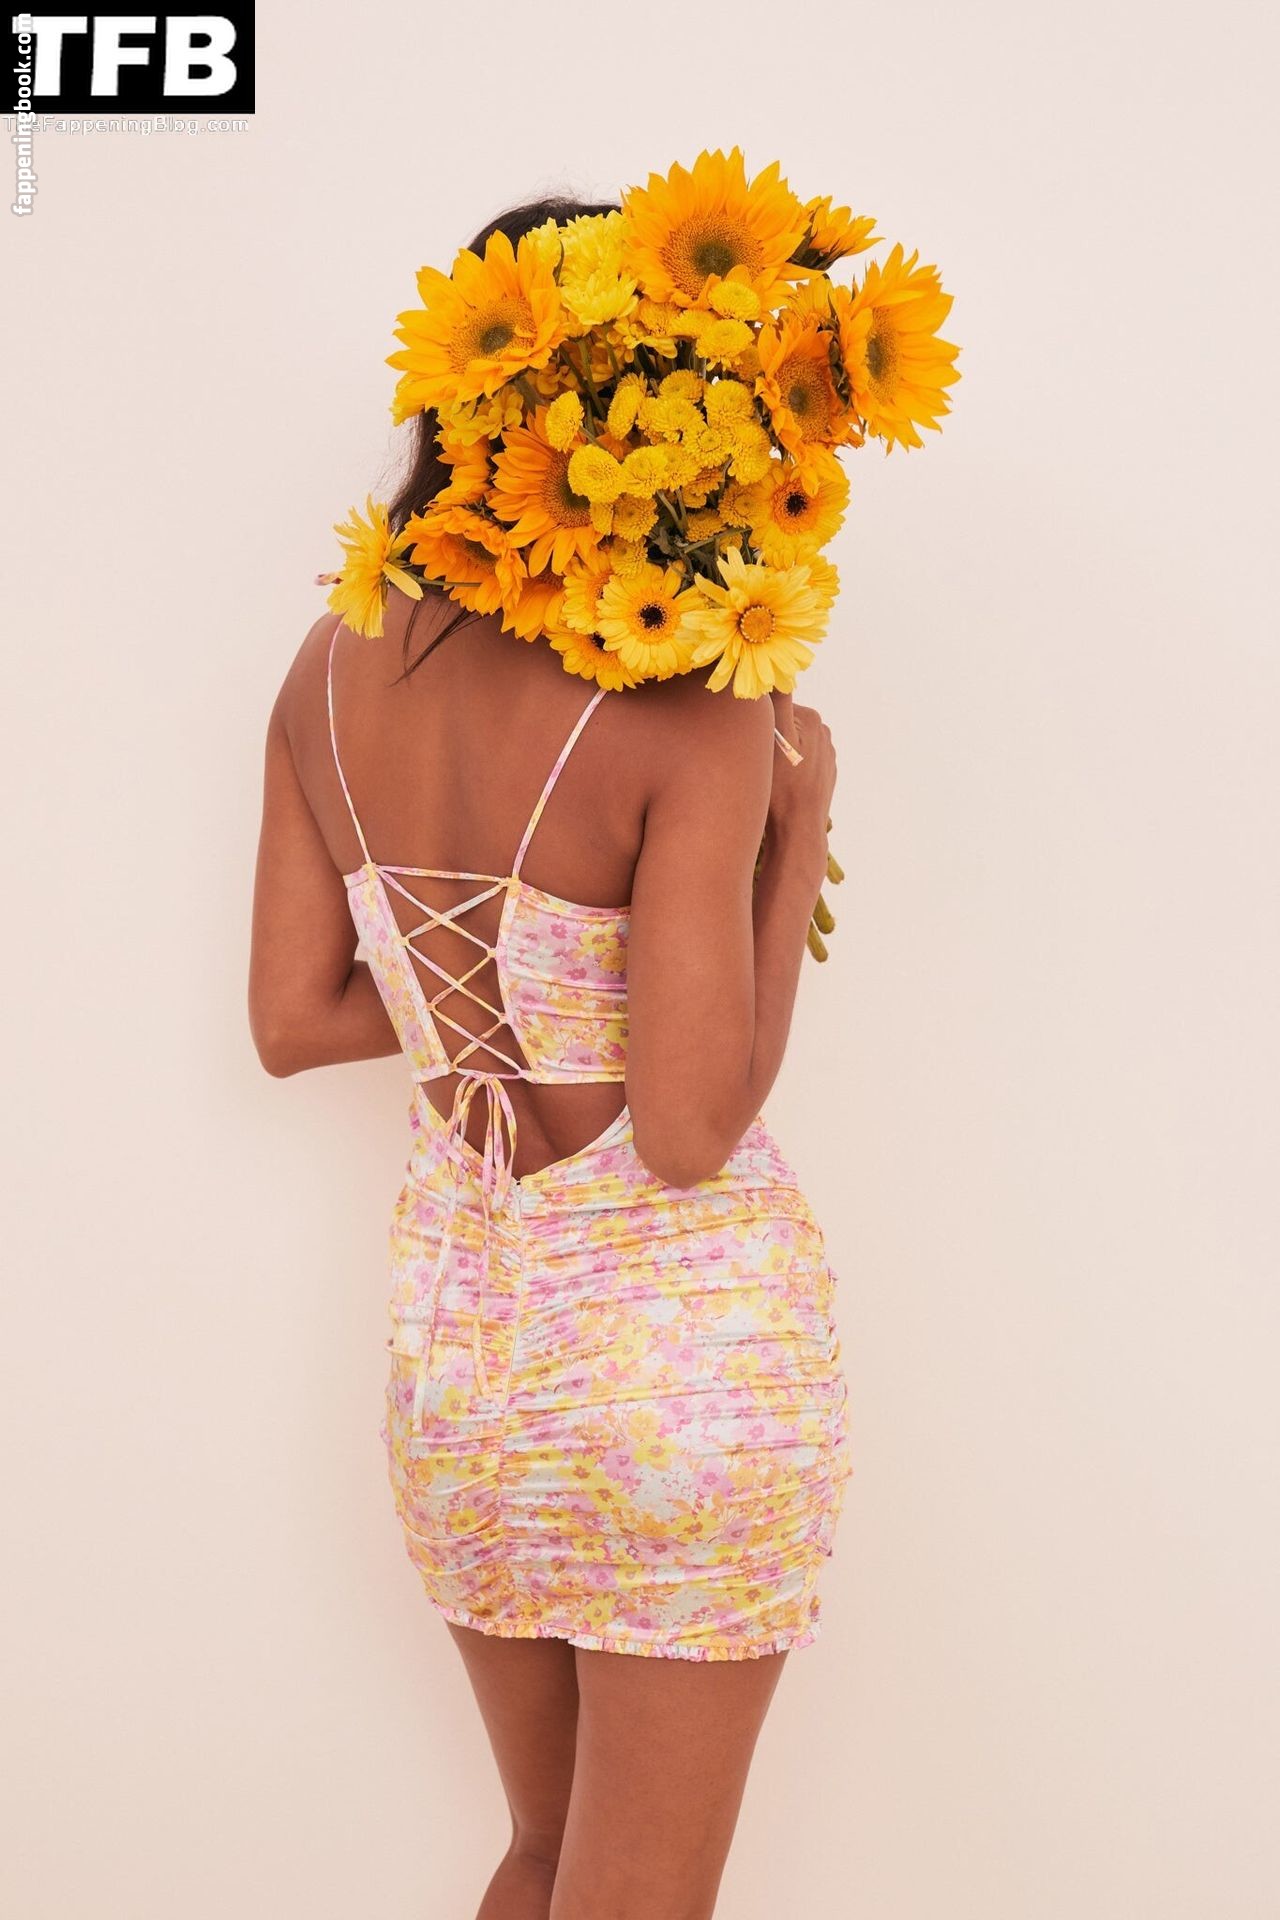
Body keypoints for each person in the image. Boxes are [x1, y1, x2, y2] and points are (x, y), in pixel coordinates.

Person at [249, 196, 852, 1920]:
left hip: (466, 1362)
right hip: (679, 1368)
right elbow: (686, 1124)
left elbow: (293, 1019)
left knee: (540, 1856)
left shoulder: (332, 664)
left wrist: (497, 1016)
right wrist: (797, 827)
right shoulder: (695, 714)